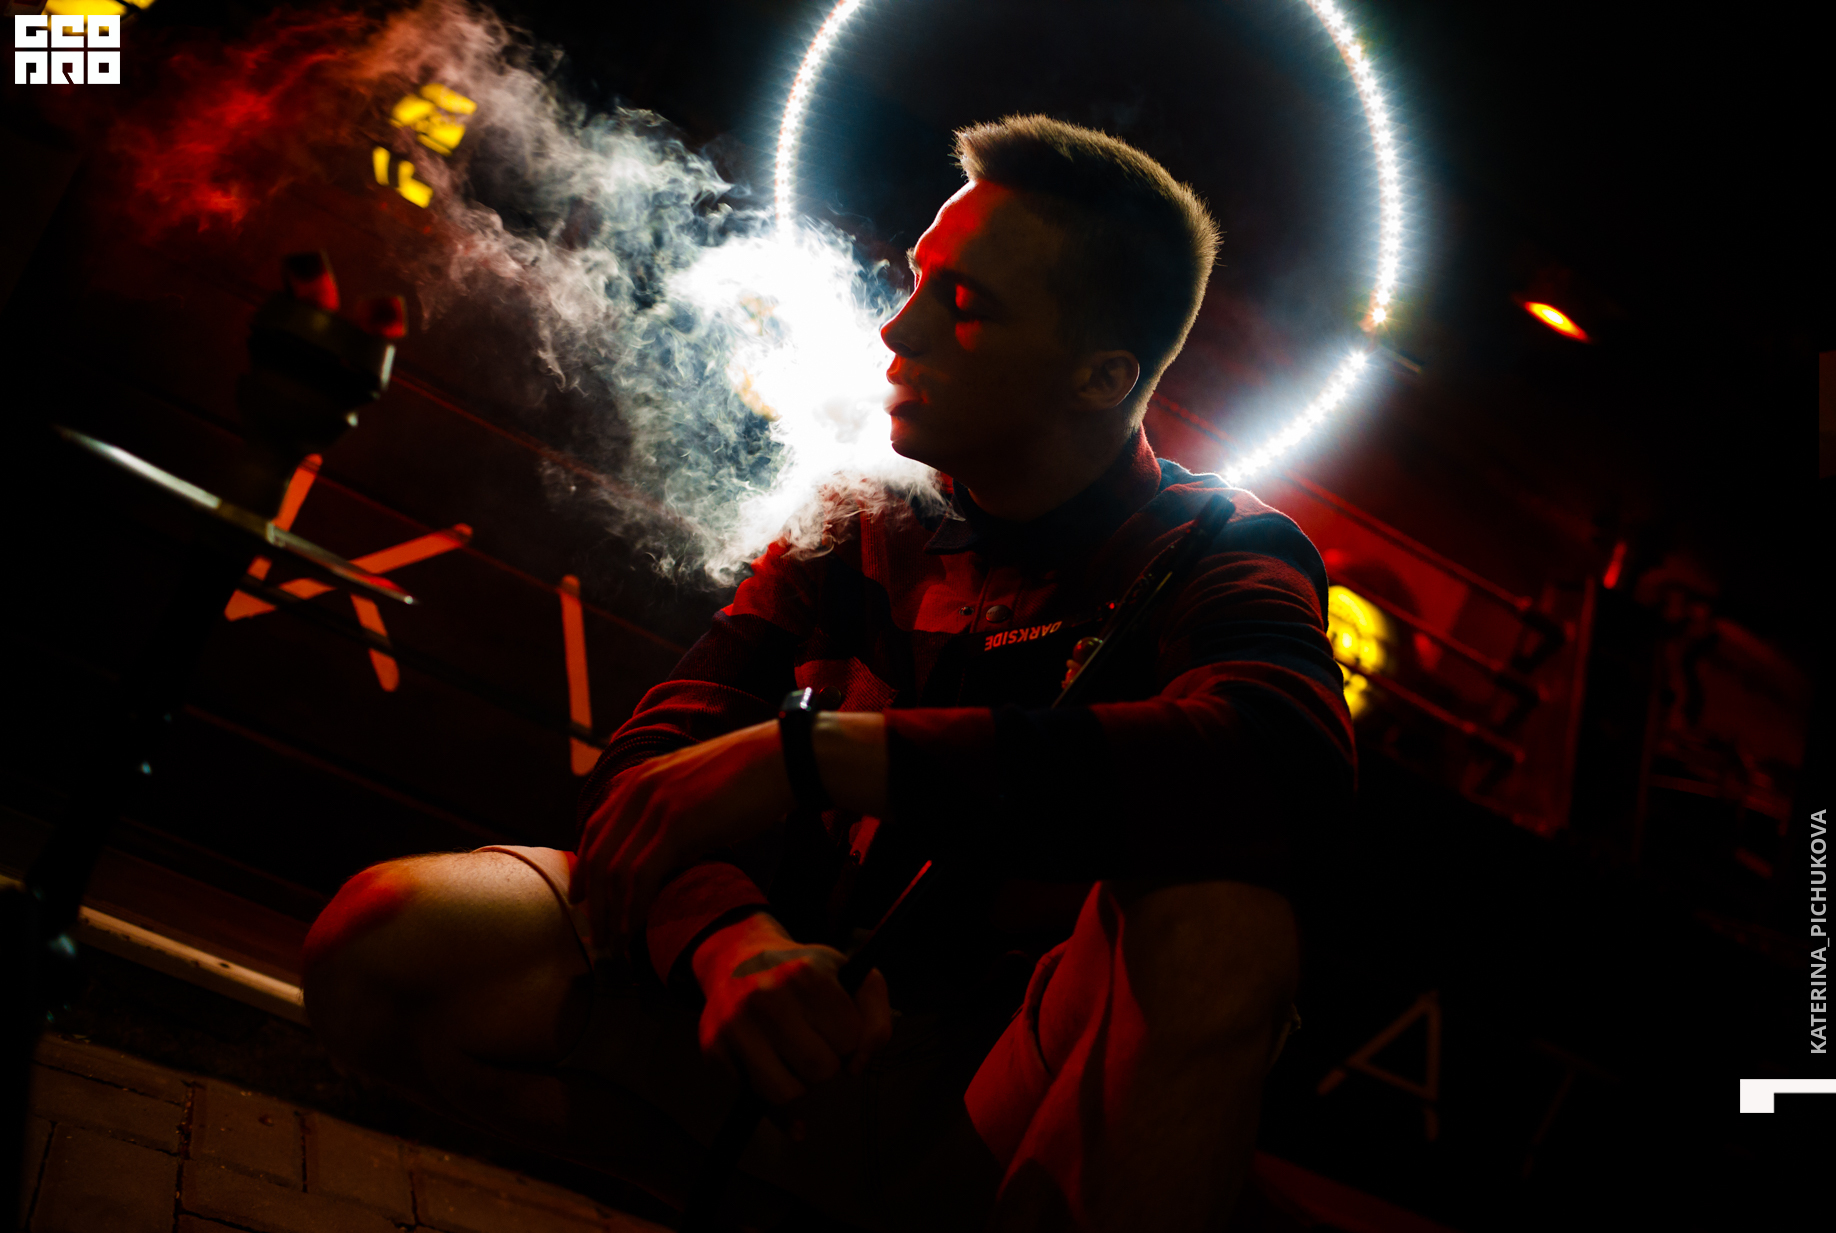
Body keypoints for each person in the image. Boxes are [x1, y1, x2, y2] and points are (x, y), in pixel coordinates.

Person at [302, 114, 1355, 1232]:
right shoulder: (860, 514)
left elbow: (1285, 763)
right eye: (917, 279)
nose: (898, 327)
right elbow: (647, 774)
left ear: (1100, 377)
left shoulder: (1213, 546)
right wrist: (726, 941)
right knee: (385, 937)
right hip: (789, 1023)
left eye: (964, 305)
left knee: (1223, 926)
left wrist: (816, 757)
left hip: (1000, 1102)